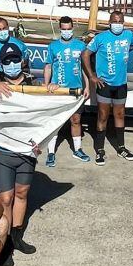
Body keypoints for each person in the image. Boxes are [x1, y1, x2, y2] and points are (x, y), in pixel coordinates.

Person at [0, 42, 43, 262]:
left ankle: (17, 237)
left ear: (23, 60)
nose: (12, 64)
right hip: (1, 149)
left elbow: (48, 112)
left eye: (15, 60)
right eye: (7, 61)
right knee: (6, 198)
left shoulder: (33, 83)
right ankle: (5, 241)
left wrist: (50, 89)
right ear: (1, 64)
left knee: (21, 194)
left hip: (26, 149)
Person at [82, 10, 133, 164]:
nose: (117, 24)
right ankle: (100, 150)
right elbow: (85, 54)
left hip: (121, 83)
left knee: (120, 115)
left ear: (123, 23)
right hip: (105, 83)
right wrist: (92, 76)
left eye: (120, 21)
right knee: (102, 116)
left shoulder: (129, 35)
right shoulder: (100, 38)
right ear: (109, 23)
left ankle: (121, 147)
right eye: (115, 21)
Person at [44, 16, 90, 167]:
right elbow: (48, 66)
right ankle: (51, 153)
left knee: (76, 120)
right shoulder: (53, 46)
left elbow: (85, 68)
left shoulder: (81, 45)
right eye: (63, 29)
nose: (66, 31)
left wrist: (87, 86)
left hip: (76, 90)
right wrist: (47, 85)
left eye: (68, 29)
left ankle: (78, 149)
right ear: (59, 29)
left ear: (73, 28)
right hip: (58, 91)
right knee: (55, 122)